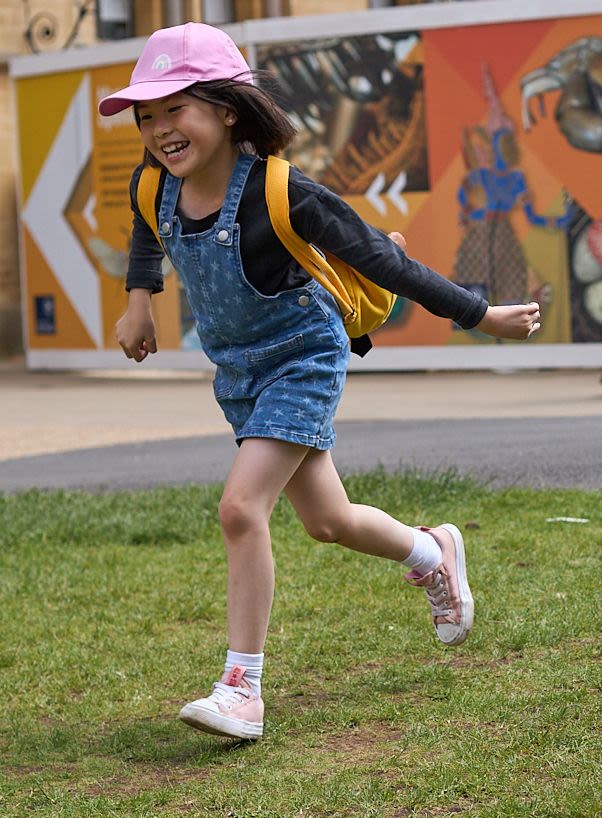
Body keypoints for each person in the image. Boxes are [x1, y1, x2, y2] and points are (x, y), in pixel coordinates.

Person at [99, 23, 541, 741]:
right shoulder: (155, 184)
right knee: (326, 522)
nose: (158, 129)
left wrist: (480, 314)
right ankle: (436, 553)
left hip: (303, 356)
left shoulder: (283, 191)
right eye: (146, 115)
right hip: (239, 370)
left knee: (242, 508)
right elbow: (146, 229)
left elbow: (387, 262)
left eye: (175, 107)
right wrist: (139, 299)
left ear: (227, 107)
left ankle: (242, 689)